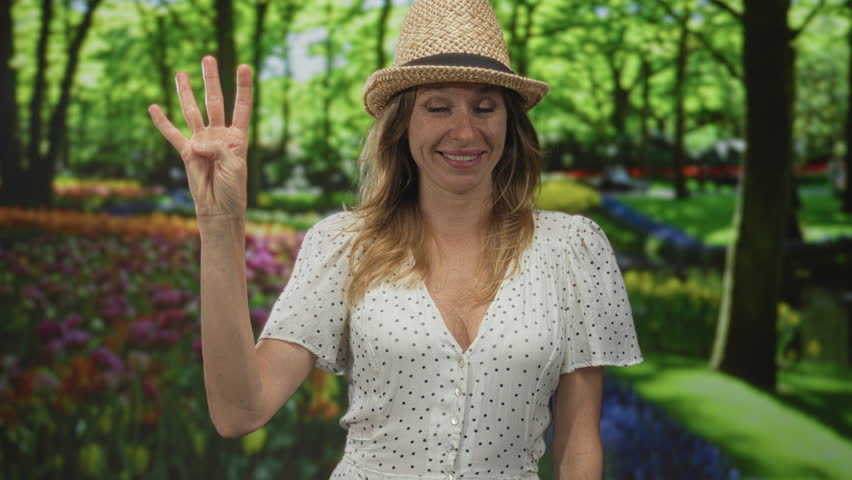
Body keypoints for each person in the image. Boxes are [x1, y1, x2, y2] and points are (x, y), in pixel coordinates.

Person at [147, 0, 643, 478]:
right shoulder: (343, 244)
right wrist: (220, 226)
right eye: (438, 107)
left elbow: (578, 447)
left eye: (485, 107)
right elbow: (240, 411)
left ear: (511, 124)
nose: (465, 131)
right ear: (403, 124)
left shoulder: (573, 248)